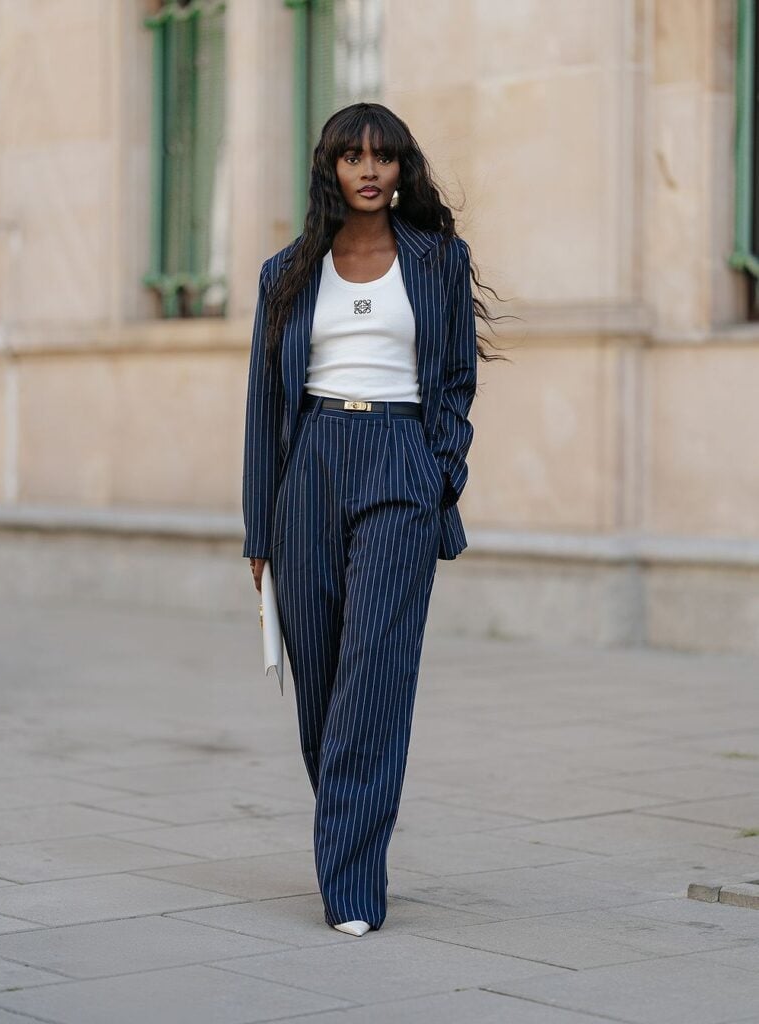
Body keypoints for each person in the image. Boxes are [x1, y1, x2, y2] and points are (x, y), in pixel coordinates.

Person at [242, 102, 504, 935]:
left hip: (399, 461)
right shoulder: (285, 272)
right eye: (352, 156)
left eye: (382, 157)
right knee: (322, 688)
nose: (368, 170)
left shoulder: (438, 260)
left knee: (373, 677)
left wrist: (438, 474)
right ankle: (350, 837)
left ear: (400, 170)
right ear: (330, 168)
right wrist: (259, 531)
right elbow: (264, 402)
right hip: (310, 467)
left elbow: (455, 379)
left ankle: (352, 884)